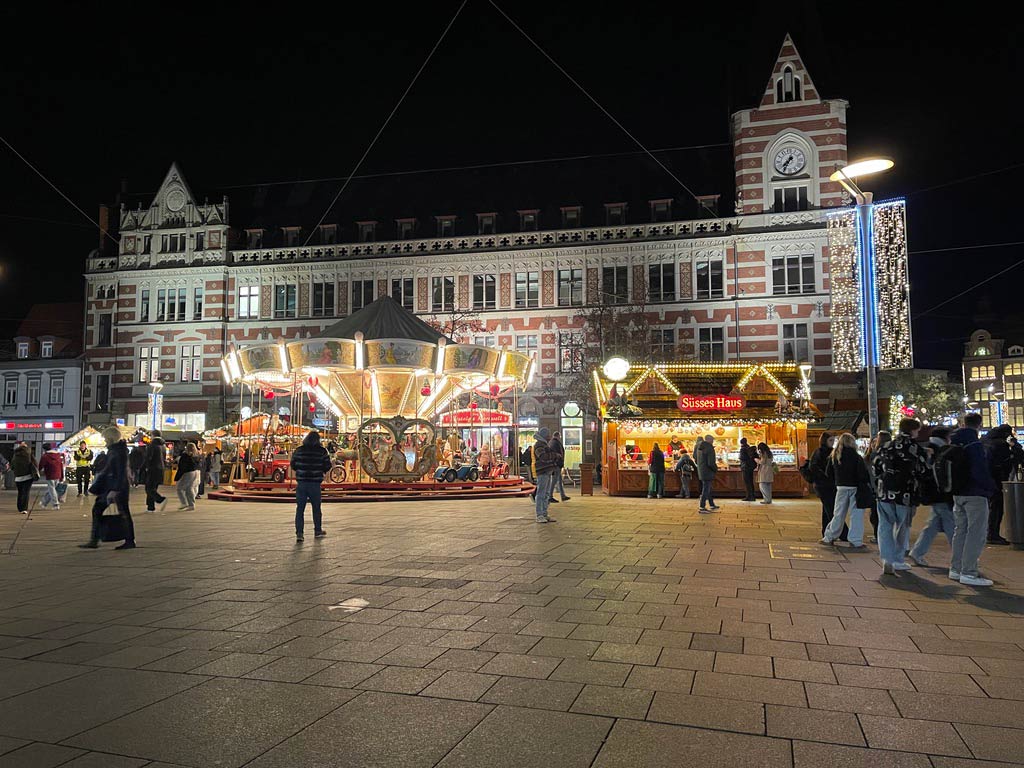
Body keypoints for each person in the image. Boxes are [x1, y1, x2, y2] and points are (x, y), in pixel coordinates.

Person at [873, 418, 929, 575]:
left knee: (884, 526)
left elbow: (875, 467)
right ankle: (898, 559)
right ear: (913, 430)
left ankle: (886, 558)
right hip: (906, 494)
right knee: (902, 526)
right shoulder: (915, 448)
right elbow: (924, 471)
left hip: (884, 492)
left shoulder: (886, 446)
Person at [948, 414, 996, 586]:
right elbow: (979, 470)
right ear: (979, 425)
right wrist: (990, 489)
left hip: (957, 493)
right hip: (975, 492)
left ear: (963, 424)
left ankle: (956, 568)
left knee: (960, 530)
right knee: (976, 532)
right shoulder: (975, 444)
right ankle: (968, 572)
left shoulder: (953, 442)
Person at [79, 426, 136, 551]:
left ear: (110, 438)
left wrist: (115, 490)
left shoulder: (119, 451)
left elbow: (120, 472)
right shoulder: (116, 450)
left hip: (116, 487)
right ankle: (127, 540)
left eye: (105, 438)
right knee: (112, 511)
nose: (104, 440)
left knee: (118, 511)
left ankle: (98, 540)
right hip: (112, 487)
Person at [908, 426, 955, 567]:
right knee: (952, 526)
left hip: (932, 494)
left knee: (933, 525)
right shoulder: (940, 450)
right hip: (940, 493)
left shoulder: (929, 448)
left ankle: (917, 552)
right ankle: (962, 556)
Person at [822, 432, 868, 549]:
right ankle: (855, 540)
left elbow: (828, 473)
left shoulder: (835, 456)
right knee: (856, 515)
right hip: (855, 488)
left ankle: (829, 536)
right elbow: (863, 474)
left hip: (841, 488)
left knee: (838, 514)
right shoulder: (857, 457)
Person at [290, 430, 332, 542]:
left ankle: (299, 533)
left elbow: (293, 464)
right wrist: (319, 470)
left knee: (300, 509)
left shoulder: (299, 450)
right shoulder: (322, 451)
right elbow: (327, 465)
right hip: (315, 482)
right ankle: (317, 530)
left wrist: (301, 470)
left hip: (302, 483)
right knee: (316, 508)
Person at [809, 432, 848, 542]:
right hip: (824, 485)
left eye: (833, 440)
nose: (832, 443)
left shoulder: (832, 452)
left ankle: (826, 531)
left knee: (827, 510)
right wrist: (825, 476)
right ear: (824, 441)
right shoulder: (820, 452)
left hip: (829, 485)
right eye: (830, 440)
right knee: (831, 509)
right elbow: (814, 467)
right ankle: (843, 533)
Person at [983, 423, 1013, 544]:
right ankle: (993, 534)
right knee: (997, 507)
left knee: (988, 508)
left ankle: (988, 533)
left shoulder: (984, 440)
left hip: (985, 480)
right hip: (996, 480)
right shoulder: (1001, 444)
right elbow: (1005, 464)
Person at [864, 431, 891, 542]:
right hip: (879, 488)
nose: (874, 444)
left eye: (876, 441)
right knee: (877, 513)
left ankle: (879, 536)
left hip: (877, 488)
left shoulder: (875, 455)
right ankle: (880, 535)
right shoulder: (872, 456)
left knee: (877, 514)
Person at [532, 427, 558, 523]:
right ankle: (539, 515)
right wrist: (554, 455)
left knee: (546, 493)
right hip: (542, 471)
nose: (550, 437)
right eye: (548, 435)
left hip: (547, 471)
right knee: (541, 493)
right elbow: (543, 457)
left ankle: (544, 513)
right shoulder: (539, 445)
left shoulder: (544, 444)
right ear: (544, 436)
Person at [144, 431, 168, 512]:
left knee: (149, 488)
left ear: (153, 435)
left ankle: (160, 499)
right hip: (160, 469)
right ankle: (150, 507)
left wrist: (146, 466)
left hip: (153, 468)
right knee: (153, 488)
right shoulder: (163, 445)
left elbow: (149, 457)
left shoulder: (152, 445)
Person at [11, 442, 38, 515]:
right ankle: (24, 509)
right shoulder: (29, 453)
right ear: (26, 447)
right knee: (26, 492)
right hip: (28, 476)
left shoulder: (15, 454)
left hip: (18, 478)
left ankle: (19, 507)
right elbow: (35, 463)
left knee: (20, 492)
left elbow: (12, 466)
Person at [695, 435, 720, 513]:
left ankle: (711, 504)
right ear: (710, 440)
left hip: (702, 470)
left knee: (708, 488)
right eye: (712, 440)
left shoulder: (699, 447)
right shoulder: (709, 448)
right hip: (708, 471)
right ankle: (702, 507)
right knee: (706, 489)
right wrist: (715, 469)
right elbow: (711, 463)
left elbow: (695, 457)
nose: (713, 442)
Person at [174, 443, 200, 511]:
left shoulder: (185, 455)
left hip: (188, 473)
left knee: (180, 488)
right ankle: (190, 503)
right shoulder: (196, 455)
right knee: (191, 488)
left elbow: (182, 467)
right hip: (196, 472)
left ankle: (185, 503)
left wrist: (177, 477)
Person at [38, 442, 64, 509]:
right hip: (58, 474)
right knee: (52, 489)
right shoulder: (58, 455)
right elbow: (61, 466)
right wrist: (62, 476)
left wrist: (37, 471)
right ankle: (44, 503)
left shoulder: (45, 456)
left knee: (52, 489)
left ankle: (56, 504)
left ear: (44, 449)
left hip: (50, 474)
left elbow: (40, 465)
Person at [550, 431, 570, 501]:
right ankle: (550, 496)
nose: (560, 438)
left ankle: (563, 495)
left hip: (557, 464)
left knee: (559, 480)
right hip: (556, 465)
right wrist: (559, 461)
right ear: (557, 436)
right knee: (554, 481)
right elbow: (556, 453)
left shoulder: (554, 442)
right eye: (560, 436)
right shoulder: (555, 443)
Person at [739, 437, 757, 501]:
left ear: (741, 443)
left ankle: (749, 496)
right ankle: (752, 496)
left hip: (745, 467)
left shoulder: (743, 449)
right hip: (750, 467)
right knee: (750, 482)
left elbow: (742, 458)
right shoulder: (749, 448)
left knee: (747, 482)